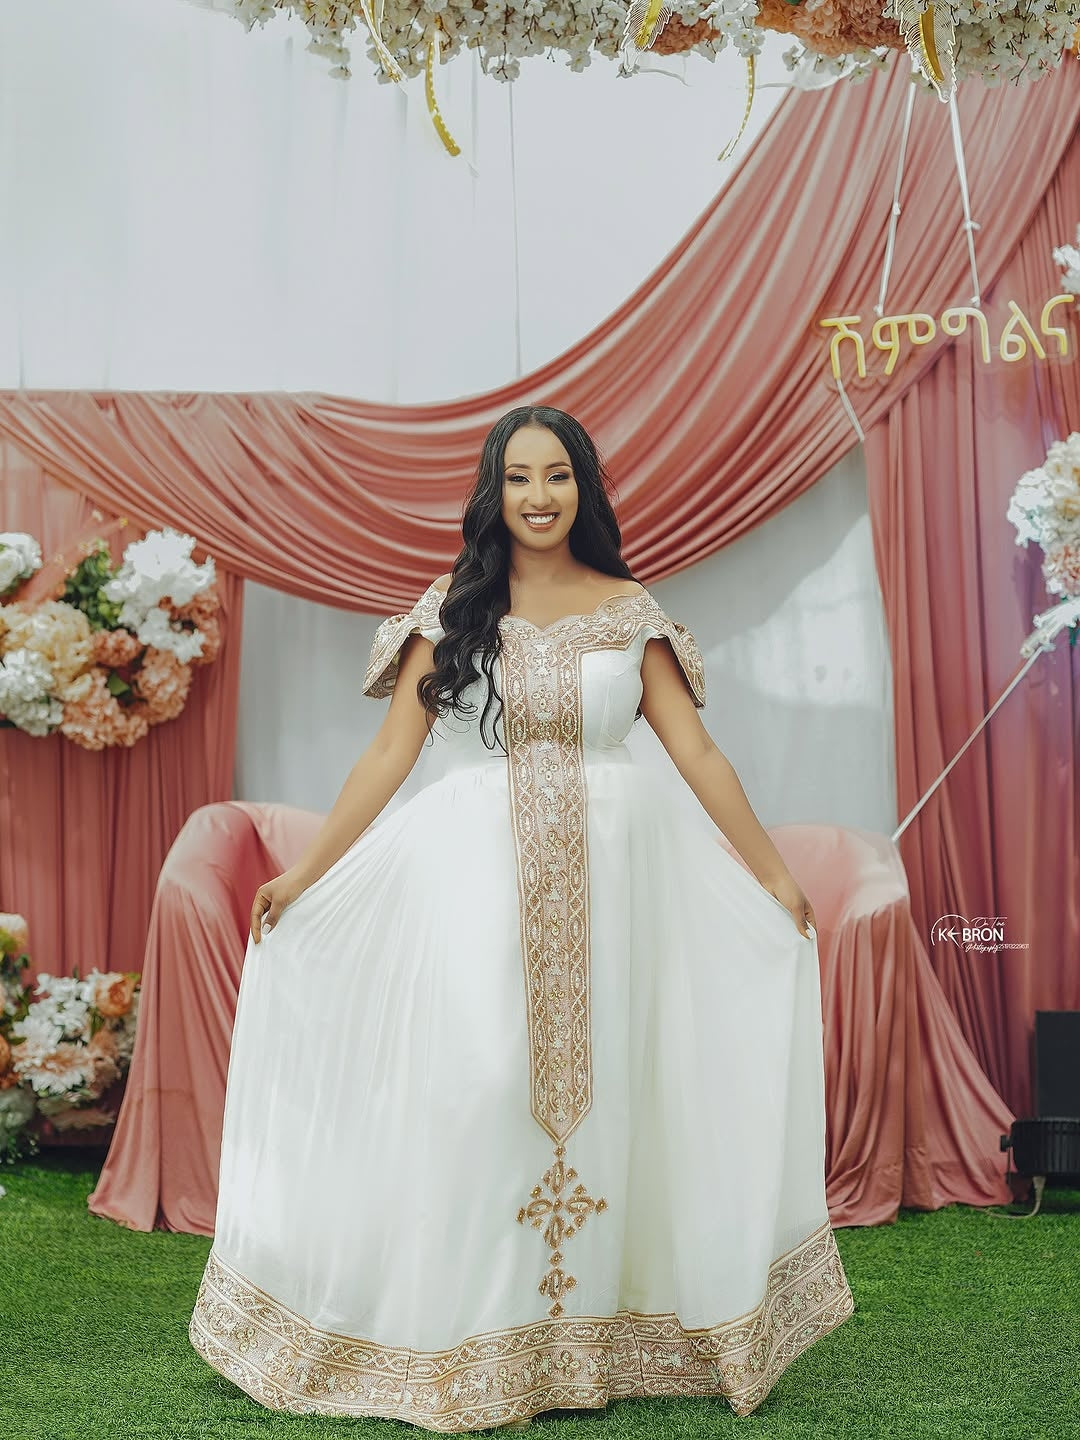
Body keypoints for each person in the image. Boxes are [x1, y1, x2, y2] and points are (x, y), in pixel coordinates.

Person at [188, 404, 854, 1431]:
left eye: (557, 476)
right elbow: (388, 756)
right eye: (518, 478)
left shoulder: (630, 610)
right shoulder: (451, 610)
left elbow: (697, 755)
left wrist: (771, 876)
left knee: (620, 1089)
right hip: (472, 879)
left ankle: (583, 1345)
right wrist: (310, 872)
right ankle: (478, 1339)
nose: (539, 496)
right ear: (492, 493)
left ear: (584, 489)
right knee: (483, 1081)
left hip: (624, 883)